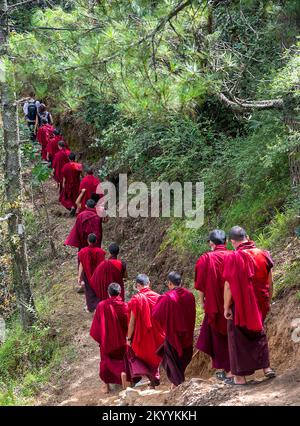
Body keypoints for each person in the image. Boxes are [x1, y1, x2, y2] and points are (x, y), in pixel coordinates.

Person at [223, 226, 275, 385]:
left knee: (236, 338)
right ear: (248, 236)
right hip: (261, 300)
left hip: (241, 304)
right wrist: (268, 300)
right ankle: (267, 368)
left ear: (232, 242)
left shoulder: (234, 257)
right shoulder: (263, 254)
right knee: (259, 333)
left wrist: (226, 307)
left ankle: (240, 378)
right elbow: (270, 280)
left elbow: (228, 285)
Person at [194, 230, 231, 380]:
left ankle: (228, 369)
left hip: (214, 304)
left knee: (218, 337)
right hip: (233, 303)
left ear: (211, 243)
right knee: (232, 334)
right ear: (226, 242)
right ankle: (234, 368)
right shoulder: (233, 255)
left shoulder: (205, 259)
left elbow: (201, 285)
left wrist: (202, 302)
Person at [153, 271, 196, 388]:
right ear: (181, 282)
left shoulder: (167, 298)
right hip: (187, 335)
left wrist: (167, 321)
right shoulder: (190, 295)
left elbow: (156, 314)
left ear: (170, 284)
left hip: (173, 335)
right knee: (182, 359)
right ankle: (176, 384)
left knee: (171, 360)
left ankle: (178, 385)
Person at [122, 274, 165, 389]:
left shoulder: (137, 299)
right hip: (158, 335)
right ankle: (154, 381)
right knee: (156, 356)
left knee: (140, 356)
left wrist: (129, 338)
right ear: (149, 283)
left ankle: (148, 380)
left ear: (138, 285)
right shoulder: (159, 297)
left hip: (142, 336)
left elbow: (132, 322)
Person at [90, 282, 128, 394]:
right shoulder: (124, 306)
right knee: (123, 358)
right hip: (122, 342)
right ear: (120, 292)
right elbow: (129, 324)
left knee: (105, 360)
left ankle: (106, 385)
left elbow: (96, 326)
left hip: (106, 343)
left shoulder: (101, 305)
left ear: (108, 293)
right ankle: (124, 374)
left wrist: (101, 339)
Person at [78, 233, 106, 311]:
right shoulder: (100, 252)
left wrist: (79, 277)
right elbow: (102, 265)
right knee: (98, 291)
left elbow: (81, 265)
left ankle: (90, 307)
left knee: (89, 292)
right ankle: (98, 306)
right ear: (96, 241)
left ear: (87, 241)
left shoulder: (83, 251)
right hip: (98, 276)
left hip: (87, 275)